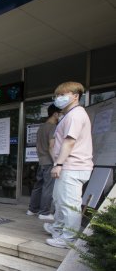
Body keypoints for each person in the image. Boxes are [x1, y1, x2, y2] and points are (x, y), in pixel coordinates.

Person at [45, 82, 93, 249]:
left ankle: (69, 239)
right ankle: (58, 229)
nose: (59, 98)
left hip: (72, 165)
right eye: (57, 96)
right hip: (69, 166)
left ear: (75, 96)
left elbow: (69, 142)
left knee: (69, 204)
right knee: (59, 200)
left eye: (63, 95)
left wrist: (58, 164)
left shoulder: (76, 115)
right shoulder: (69, 115)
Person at [27, 104, 61, 220]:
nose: (62, 116)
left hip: (41, 160)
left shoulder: (41, 127)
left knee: (38, 186)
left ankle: (32, 209)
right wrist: (56, 163)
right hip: (49, 160)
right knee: (48, 187)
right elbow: (51, 147)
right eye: (61, 113)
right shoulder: (53, 127)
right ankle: (44, 212)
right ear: (55, 114)